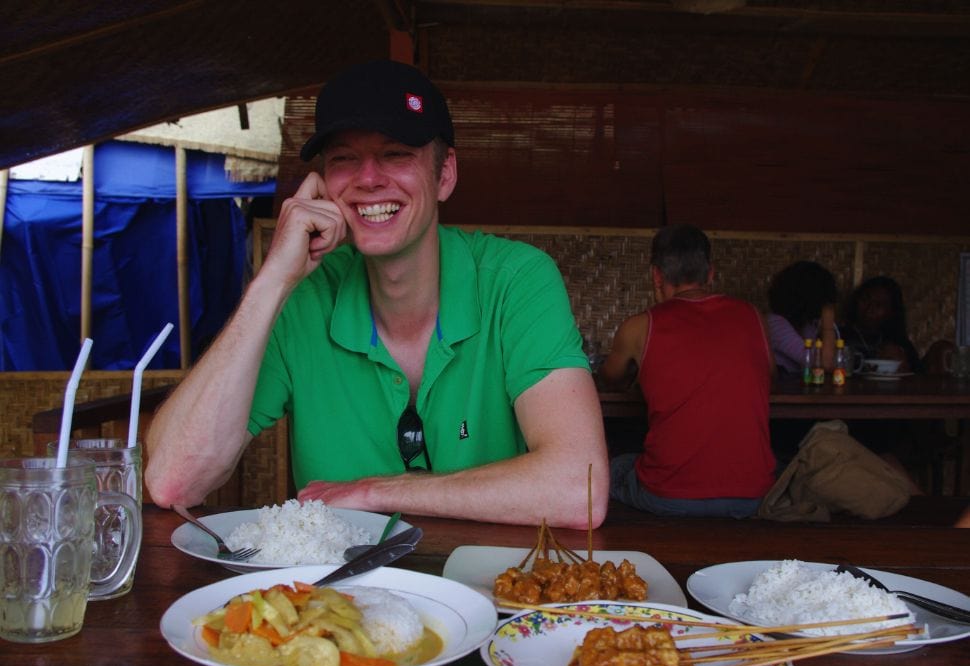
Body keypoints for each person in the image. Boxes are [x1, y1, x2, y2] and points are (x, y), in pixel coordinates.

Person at [144, 60, 608, 529]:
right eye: (344, 158)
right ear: (322, 183)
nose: (368, 178)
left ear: (444, 174)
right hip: (339, 598)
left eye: (396, 153)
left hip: (488, 591)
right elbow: (173, 482)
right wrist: (272, 282)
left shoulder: (515, 281)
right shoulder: (302, 298)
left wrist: (374, 491)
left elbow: (578, 489)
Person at [597, 224, 776, 518]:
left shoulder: (640, 326)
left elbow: (609, 379)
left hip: (668, 496)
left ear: (656, 275)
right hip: (752, 496)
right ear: (710, 273)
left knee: (615, 464)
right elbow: (770, 378)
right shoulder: (752, 316)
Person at [765, 260, 838, 375]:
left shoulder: (807, 326)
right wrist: (828, 323)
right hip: (780, 392)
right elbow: (824, 364)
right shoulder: (775, 324)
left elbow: (835, 364)